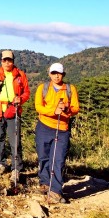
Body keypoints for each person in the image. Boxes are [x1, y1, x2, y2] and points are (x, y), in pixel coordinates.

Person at [34, 62, 79, 204]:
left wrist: (66, 109)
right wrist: (53, 111)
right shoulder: (43, 88)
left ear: (63, 74)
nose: (56, 76)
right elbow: (38, 107)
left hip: (62, 129)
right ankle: (45, 183)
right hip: (44, 127)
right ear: (49, 74)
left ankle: (55, 191)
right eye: (53, 73)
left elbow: (76, 108)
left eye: (58, 73)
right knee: (44, 157)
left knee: (58, 160)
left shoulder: (70, 89)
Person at [0, 50, 30, 181]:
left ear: (13, 61)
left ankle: (16, 168)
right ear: (1, 61)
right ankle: (0, 163)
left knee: (14, 140)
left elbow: (26, 93)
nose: (7, 63)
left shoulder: (20, 75)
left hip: (13, 109)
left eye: (9, 60)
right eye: (4, 60)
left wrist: (20, 99)